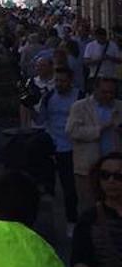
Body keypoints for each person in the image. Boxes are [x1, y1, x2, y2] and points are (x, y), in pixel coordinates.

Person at [67, 75, 122, 210]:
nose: (108, 96)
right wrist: (99, 129)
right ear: (95, 89)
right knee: (89, 207)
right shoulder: (80, 107)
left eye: (111, 92)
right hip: (88, 168)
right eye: (104, 92)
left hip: (116, 168)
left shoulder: (120, 106)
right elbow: (72, 131)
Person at [37, 66, 80, 225]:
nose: (59, 84)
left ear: (70, 81)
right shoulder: (49, 97)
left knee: (69, 185)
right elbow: (40, 120)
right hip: (53, 144)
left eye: (63, 81)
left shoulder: (79, 97)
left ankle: (72, 220)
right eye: (57, 81)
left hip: (71, 146)